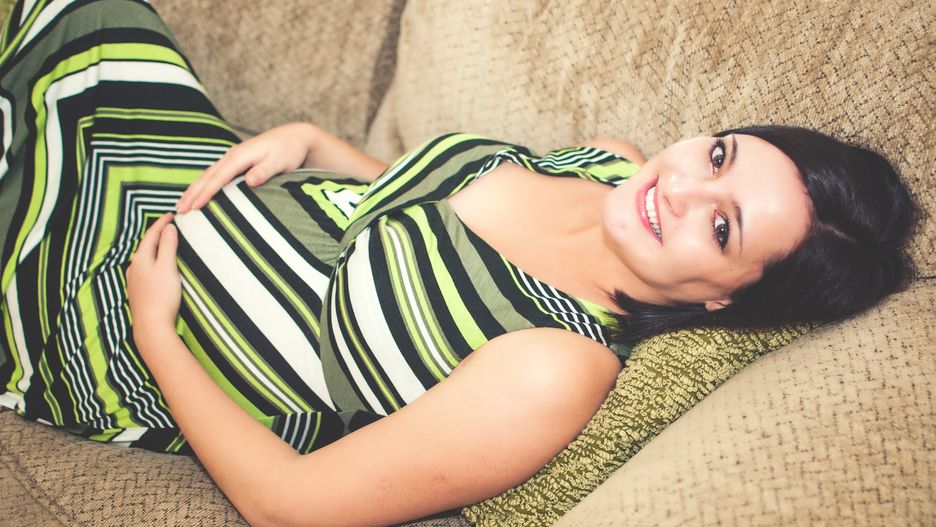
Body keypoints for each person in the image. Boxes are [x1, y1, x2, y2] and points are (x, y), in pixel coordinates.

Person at [0, 1, 916, 526]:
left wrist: (156, 329)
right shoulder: (610, 164)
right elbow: (423, 205)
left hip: (115, 324)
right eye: (718, 154)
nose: (679, 188)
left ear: (723, 300)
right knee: (88, 18)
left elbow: (292, 504)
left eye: (720, 229)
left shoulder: (554, 368)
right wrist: (316, 143)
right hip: (182, 182)